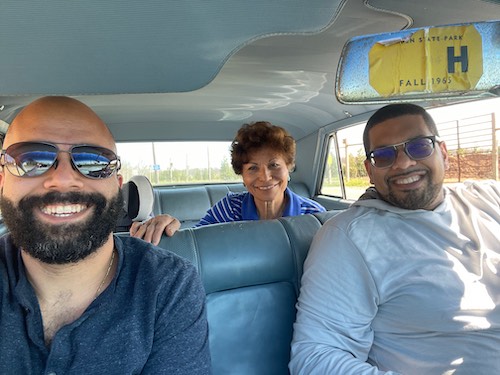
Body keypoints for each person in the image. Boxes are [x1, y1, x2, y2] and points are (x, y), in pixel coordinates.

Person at [0, 96, 211, 374]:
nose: (63, 179)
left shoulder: (167, 285)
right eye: (32, 159)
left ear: (117, 187)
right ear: (3, 180)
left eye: (92, 161)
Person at [290, 103, 500, 374]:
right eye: (384, 155)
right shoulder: (348, 238)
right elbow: (314, 357)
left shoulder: (489, 198)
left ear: (444, 153)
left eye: (419, 146)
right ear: (369, 169)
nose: (403, 163)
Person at [133, 121, 326, 240]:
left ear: (289, 168)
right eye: (252, 168)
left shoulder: (315, 216)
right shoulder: (230, 209)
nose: (265, 176)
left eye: (274, 165)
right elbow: (197, 242)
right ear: (242, 177)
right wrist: (171, 228)